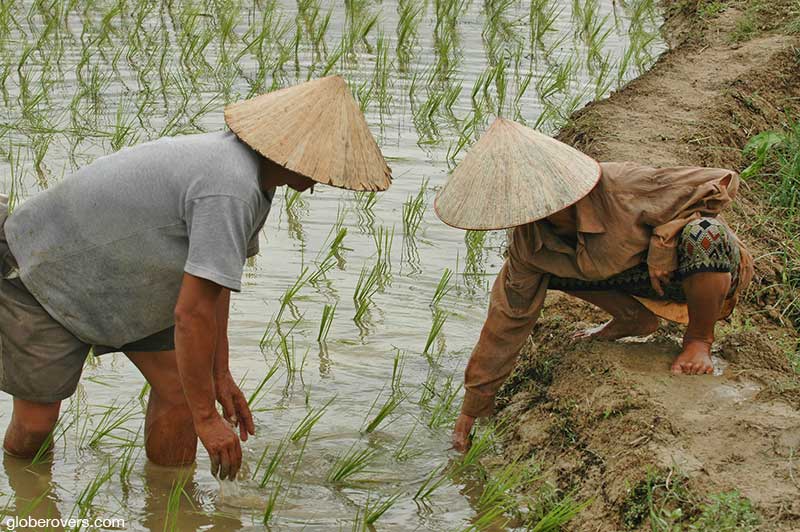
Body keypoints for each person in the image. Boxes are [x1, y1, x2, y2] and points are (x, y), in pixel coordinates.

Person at [0, 76, 391, 479]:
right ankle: (22, 498)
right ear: (291, 151)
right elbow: (191, 312)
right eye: (320, 166)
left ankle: (170, 505)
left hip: (129, 277)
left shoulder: (255, 182)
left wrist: (219, 375)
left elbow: (213, 286)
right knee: (36, 424)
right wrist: (208, 420)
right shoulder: (231, 186)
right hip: (45, 272)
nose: (319, 181)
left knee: (182, 393)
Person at [434, 118, 753, 452]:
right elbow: (507, 320)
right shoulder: (529, 244)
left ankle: (698, 340)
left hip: (693, 273)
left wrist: (665, 237)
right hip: (630, 277)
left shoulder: (624, 187)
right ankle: (633, 318)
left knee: (705, 234)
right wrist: (472, 408)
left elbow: (721, 181)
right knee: (541, 274)